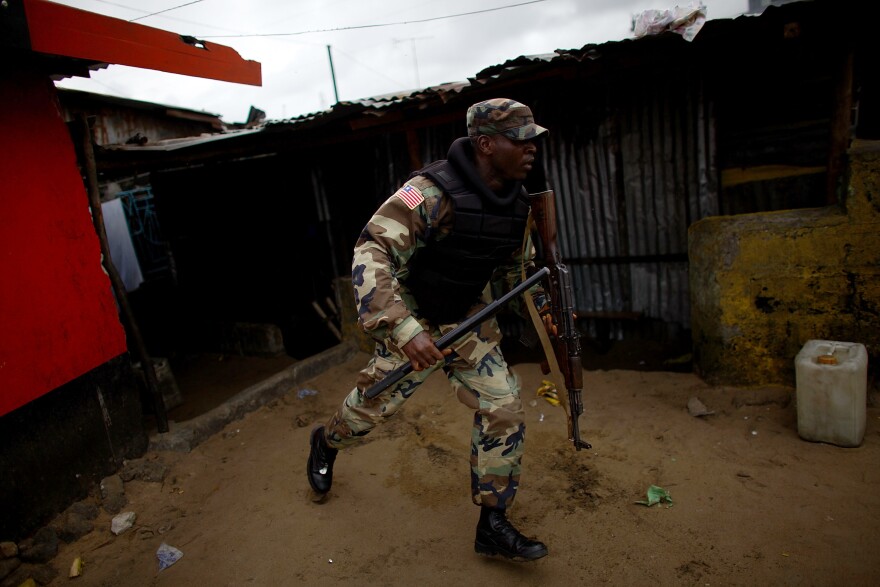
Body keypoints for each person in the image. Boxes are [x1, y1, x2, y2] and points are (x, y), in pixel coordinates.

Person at [307, 98, 554, 561]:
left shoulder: (519, 204)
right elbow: (372, 250)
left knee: (504, 405)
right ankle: (327, 440)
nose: (531, 149)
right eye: (520, 140)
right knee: (370, 410)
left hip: (465, 316)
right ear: (484, 143)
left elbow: (516, 273)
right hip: (413, 314)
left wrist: (545, 312)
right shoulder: (428, 191)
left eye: (534, 140)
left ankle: (492, 523)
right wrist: (402, 328)